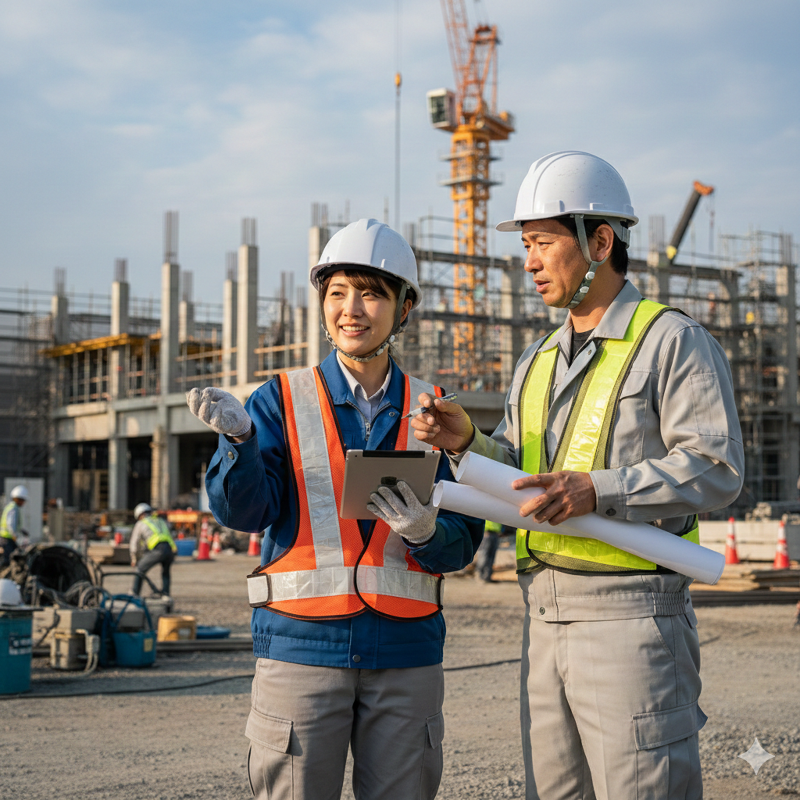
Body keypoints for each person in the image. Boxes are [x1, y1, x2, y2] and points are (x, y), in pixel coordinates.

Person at [411, 151, 744, 799]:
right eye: (526, 246)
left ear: (600, 242)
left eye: (543, 243)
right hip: (541, 616)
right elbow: (523, 476)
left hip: (633, 619)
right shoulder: (536, 359)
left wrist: (599, 489)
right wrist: (469, 443)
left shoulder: (671, 341)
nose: (530, 262)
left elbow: (716, 468)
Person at [187, 218, 482, 800]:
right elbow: (245, 514)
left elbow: (464, 540)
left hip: (406, 652)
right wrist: (240, 444)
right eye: (338, 292)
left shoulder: (435, 410)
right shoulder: (280, 398)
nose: (351, 309)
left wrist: (428, 532)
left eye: (371, 293)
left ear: (404, 309)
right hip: (301, 647)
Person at [128, 502, 176, 597]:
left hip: (158, 550)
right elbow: (170, 534)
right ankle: (166, 594)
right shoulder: (160, 520)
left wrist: (134, 558)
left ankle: (135, 592)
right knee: (165, 572)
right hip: (170, 550)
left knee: (140, 568)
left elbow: (135, 543)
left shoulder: (141, 523)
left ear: (140, 515)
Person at [1, 485, 28, 568]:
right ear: (19, 499)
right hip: (7, 539)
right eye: (23, 500)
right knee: (8, 560)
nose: (23, 503)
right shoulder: (13, 508)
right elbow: (11, 524)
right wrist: (15, 537)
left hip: (6, 538)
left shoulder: (11, 507)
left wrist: (21, 530)